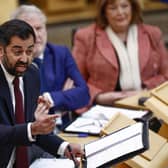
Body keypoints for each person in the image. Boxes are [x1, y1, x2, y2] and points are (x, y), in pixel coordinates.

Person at [0, 19, 83, 168]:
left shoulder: (32, 74)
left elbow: (31, 128)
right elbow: (25, 130)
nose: (24, 59)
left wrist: (64, 148)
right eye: (17, 52)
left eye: (29, 51)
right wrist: (32, 128)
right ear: (1, 50)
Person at [72, 0, 168, 111]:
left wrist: (145, 92)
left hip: (147, 105)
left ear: (133, 7)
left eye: (124, 6)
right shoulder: (86, 37)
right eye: (112, 8)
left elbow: (166, 75)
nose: (120, 12)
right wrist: (100, 97)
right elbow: (76, 82)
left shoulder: (153, 33)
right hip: (105, 108)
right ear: (104, 12)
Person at [10, 4, 90, 114]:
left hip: (65, 127)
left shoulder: (61, 53)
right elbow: (20, 110)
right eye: (28, 31)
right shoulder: (11, 62)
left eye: (39, 28)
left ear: (46, 29)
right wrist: (66, 99)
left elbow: (84, 95)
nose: (35, 35)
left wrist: (51, 98)